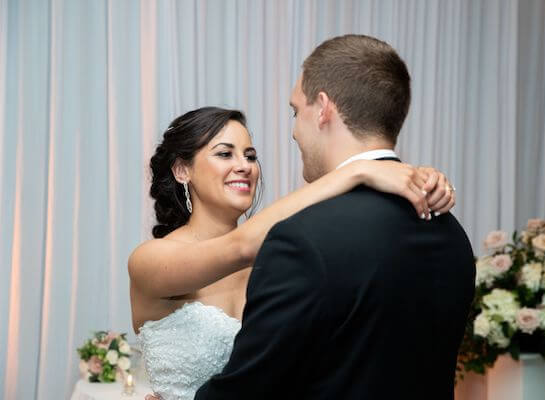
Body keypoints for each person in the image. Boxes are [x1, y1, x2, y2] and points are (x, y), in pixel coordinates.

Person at [192, 34, 475, 400]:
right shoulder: (450, 232)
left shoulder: (301, 241)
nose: (294, 130)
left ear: (323, 108)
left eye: (296, 111)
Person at [130, 106, 455, 399]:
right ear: (182, 171)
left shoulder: (282, 256)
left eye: (251, 155)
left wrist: (418, 180)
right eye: (225, 154)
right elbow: (240, 246)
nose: (244, 166)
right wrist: (359, 171)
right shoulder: (150, 259)